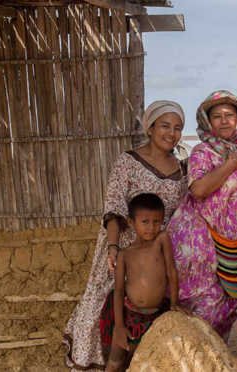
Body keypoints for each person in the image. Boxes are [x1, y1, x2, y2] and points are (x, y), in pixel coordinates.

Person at [63, 101, 188, 371]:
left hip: (155, 256)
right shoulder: (128, 161)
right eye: (165, 126)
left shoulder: (181, 172)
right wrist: (112, 247)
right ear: (150, 127)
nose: (172, 133)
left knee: (149, 320)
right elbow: (114, 207)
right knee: (100, 307)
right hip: (121, 247)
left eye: (178, 128)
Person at [166, 90, 237, 342]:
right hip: (200, 241)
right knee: (203, 308)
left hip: (232, 244)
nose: (224, 120)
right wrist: (230, 165)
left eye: (229, 114)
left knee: (226, 306)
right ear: (207, 121)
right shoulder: (203, 152)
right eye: (217, 116)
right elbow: (198, 189)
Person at [99, 193, 189, 372]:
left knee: (141, 358)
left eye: (157, 222)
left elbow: (171, 271)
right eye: (145, 222)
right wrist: (119, 326)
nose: (152, 227)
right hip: (129, 314)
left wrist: (174, 302)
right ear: (131, 222)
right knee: (116, 359)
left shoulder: (161, 240)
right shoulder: (124, 254)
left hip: (156, 314)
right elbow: (118, 291)